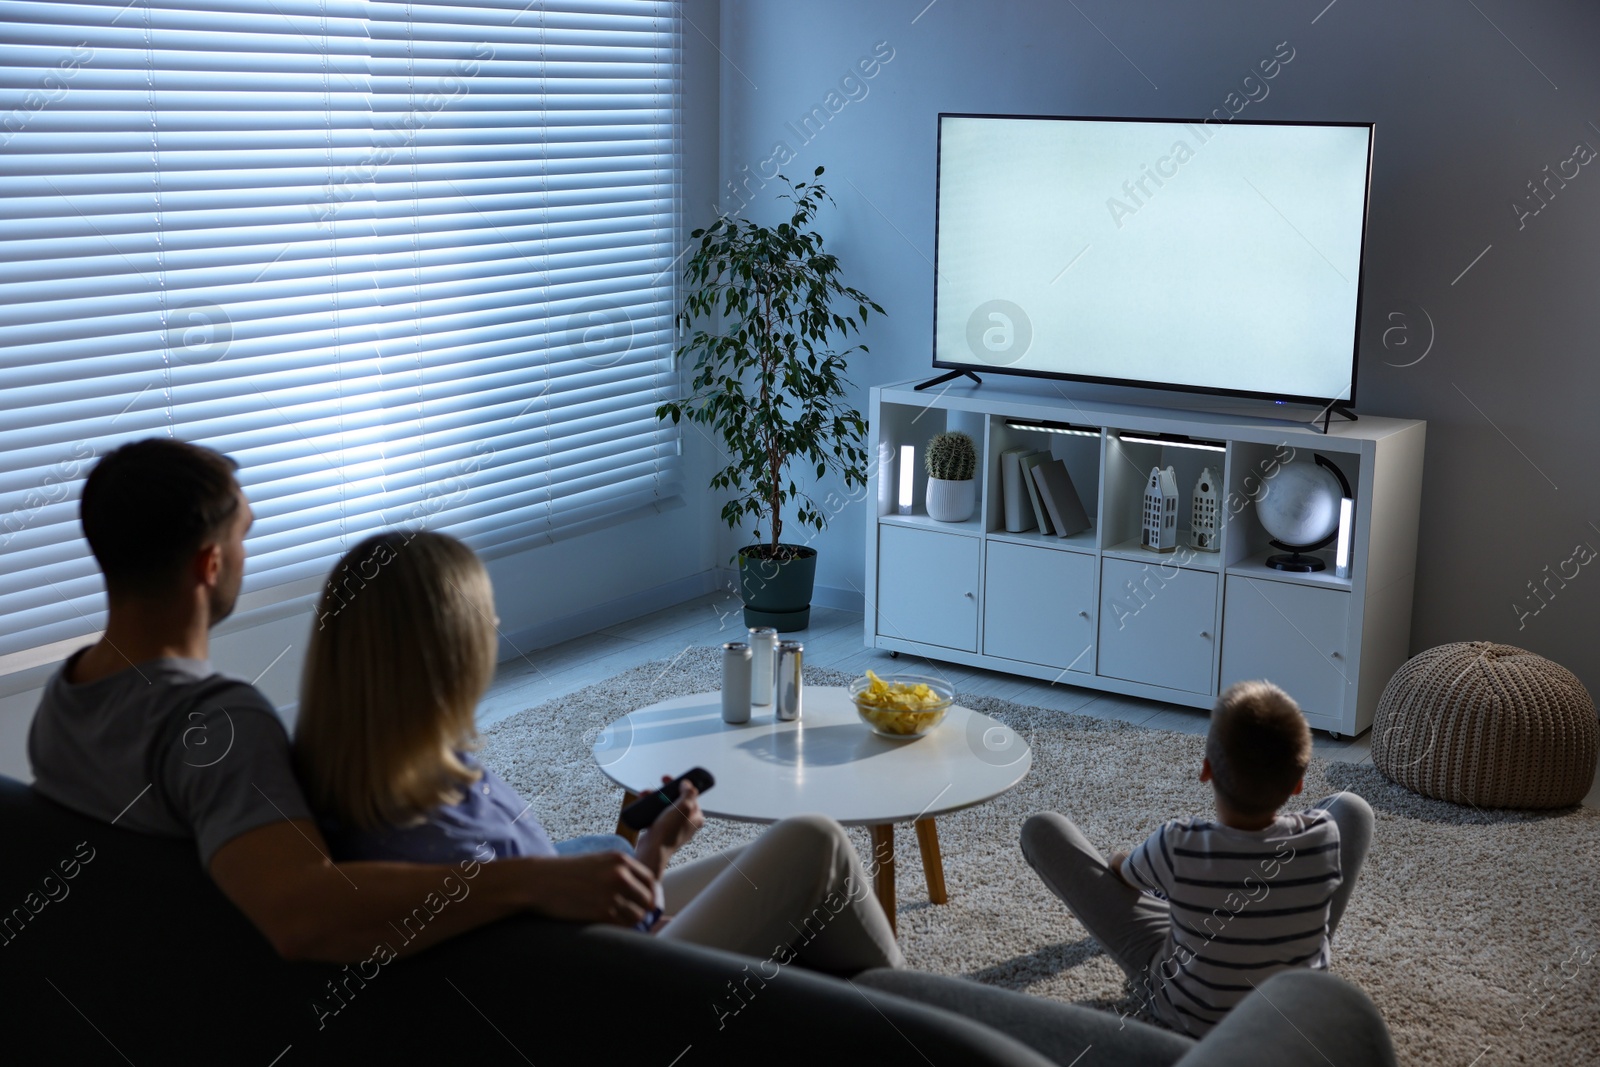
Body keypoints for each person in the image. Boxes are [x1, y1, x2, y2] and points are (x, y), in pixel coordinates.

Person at [26, 439, 821, 966]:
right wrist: (532, 881)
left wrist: (614, 860)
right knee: (812, 850)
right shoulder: (220, 726)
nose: (248, 549)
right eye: (245, 535)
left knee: (629, 854)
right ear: (209, 563)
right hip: (589, 981)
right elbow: (305, 912)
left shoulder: (66, 702)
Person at [292, 529, 904, 975]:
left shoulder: (367, 785)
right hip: (613, 988)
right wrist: (648, 873)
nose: (498, 623)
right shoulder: (436, 829)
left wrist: (652, 852)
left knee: (794, 863)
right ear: (445, 657)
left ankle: (873, 1011)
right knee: (815, 845)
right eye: (484, 618)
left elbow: (557, 911)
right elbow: (556, 953)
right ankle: (918, 1027)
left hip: (609, 945)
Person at [1018, 680, 1373, 1037]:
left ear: (1206, 770)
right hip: (1294, 1010)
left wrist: (1121, 858)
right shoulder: (1322, 834)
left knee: (1042, 829)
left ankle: (1189, 908)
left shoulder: (1179, 842)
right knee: (1353, 807)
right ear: (1298, 784)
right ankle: (1285, 942)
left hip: (1190, 1011)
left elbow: (1123, 875)